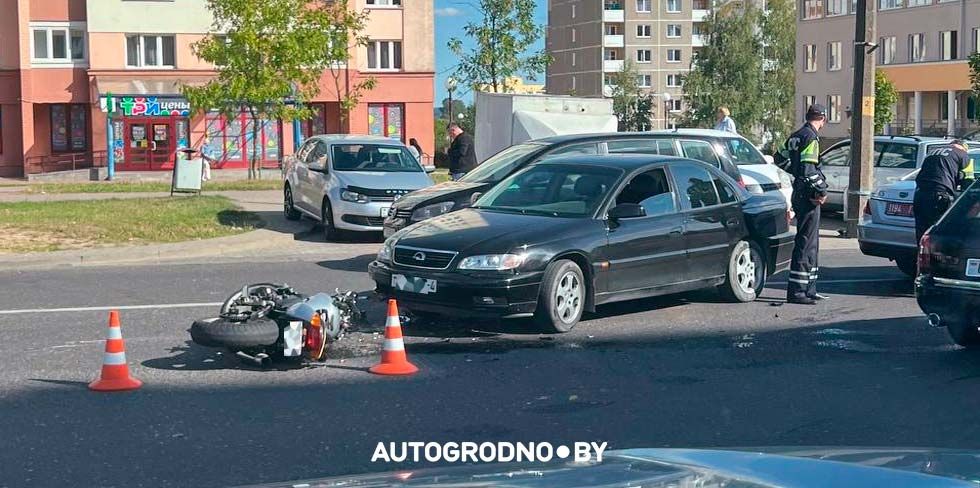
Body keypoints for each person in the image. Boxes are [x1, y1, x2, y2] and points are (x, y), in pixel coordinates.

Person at [784, 104, 829, 305]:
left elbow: (779, 159)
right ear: (823, 119)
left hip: (799, 193)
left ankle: (810, 288)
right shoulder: (811, 137)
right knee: (805, 243)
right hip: (808, 196)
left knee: (811, 243)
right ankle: (798, 292)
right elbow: (809, 171)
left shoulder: (796, 135)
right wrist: (821, 191)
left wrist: (794, 171)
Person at [914, 140, 974, 243]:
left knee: (922, 230)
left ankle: (922, 255)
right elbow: (968, 182)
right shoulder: (963, 154)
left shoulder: (932, 153)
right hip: (939, 195)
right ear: (964, 148)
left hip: (920, 195)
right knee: (940, 229)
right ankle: (938, 257)